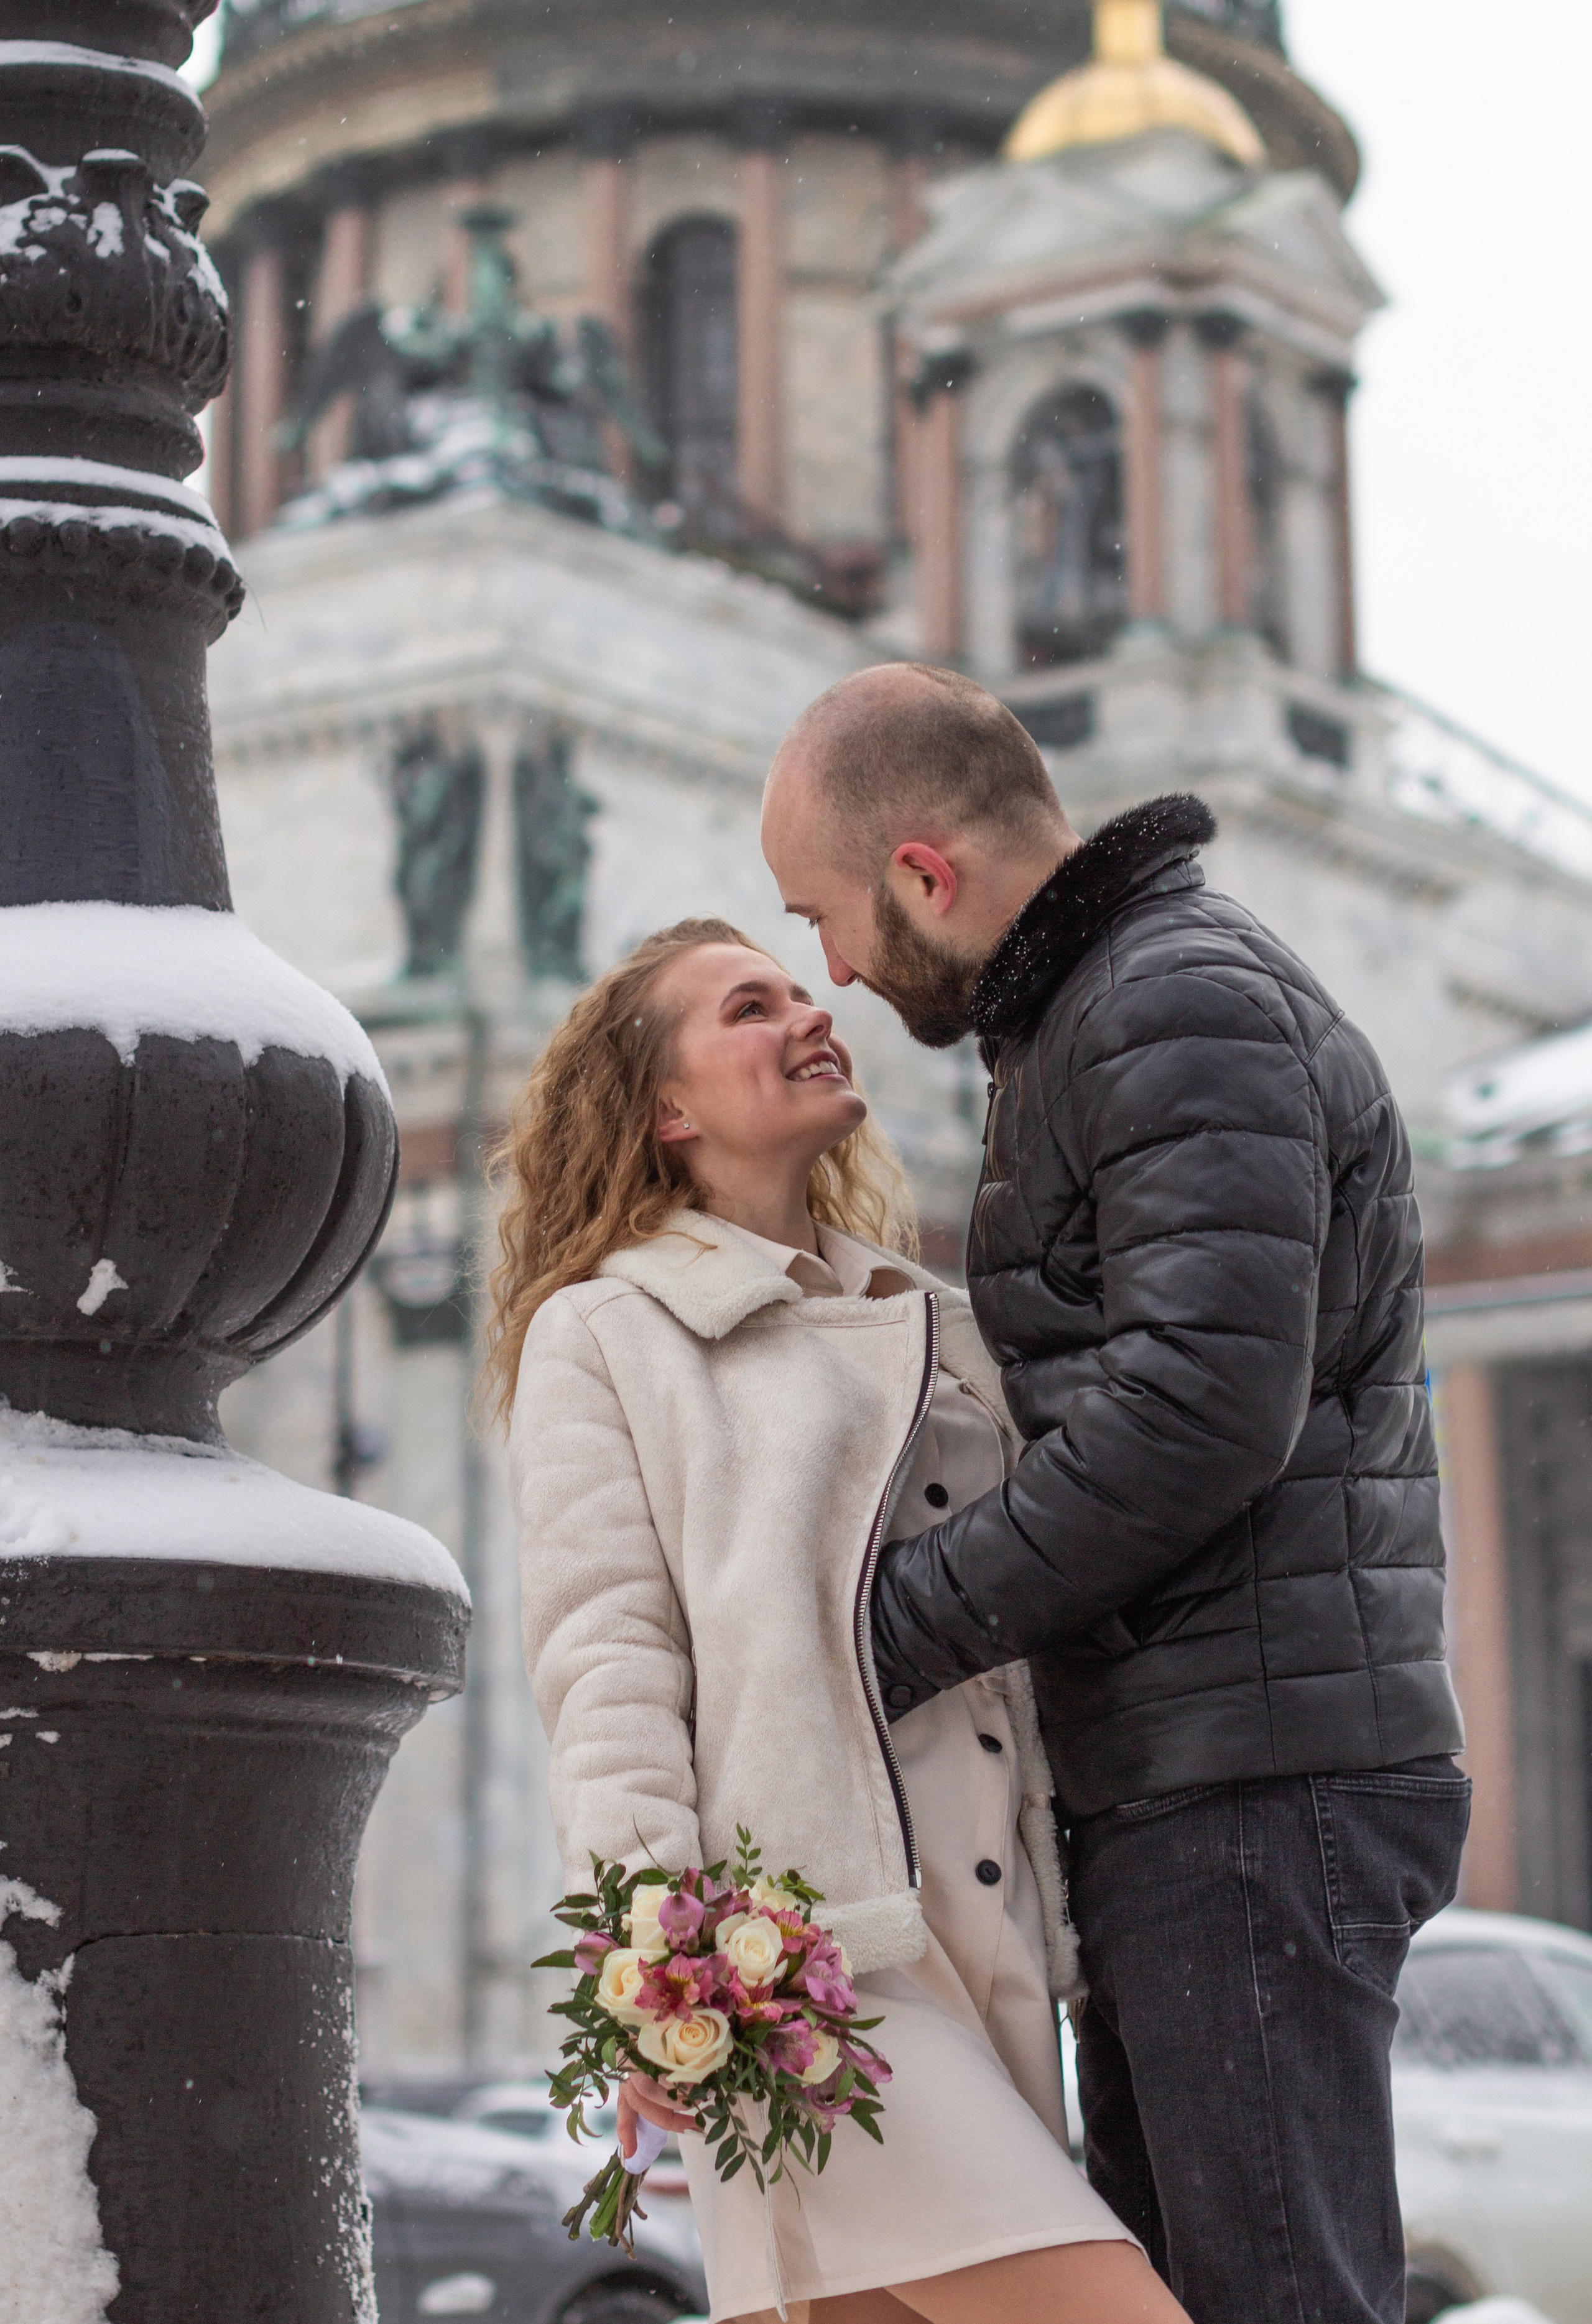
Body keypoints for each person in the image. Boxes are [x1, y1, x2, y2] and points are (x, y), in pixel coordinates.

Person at [759, 662, 1473, 2324]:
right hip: (1207, 1764)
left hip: (1249, 1776)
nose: (834, 970)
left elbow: (1193, 1415)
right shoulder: (1109, 1009)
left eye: (825, 917)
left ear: (922, 872)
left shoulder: (1170, 1004)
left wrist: (887, 1628)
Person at [491, 918, 1190, 2324]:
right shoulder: (608, 1332)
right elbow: (607, 1662)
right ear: (667, 1108)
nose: (811, 1014)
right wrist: (652, 1960)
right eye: (752, 1006)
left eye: (803, 991)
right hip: (806, 1976)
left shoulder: (930, 1319)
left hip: (988, 1933)